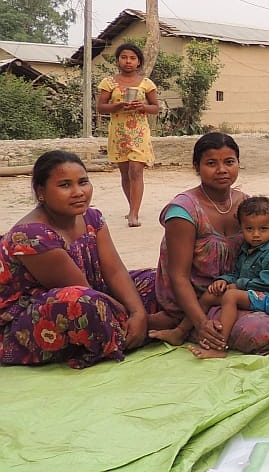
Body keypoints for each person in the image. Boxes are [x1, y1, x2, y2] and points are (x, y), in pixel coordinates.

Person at [0, 151, 164, 368]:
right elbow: (82, 290)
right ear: (41, 192)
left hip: (95, 292)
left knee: (157, 279)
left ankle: (140, 328)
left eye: (83, 182)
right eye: (65, 185)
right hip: (27, 319)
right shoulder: (31, 235)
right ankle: (154, 328)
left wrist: (138, 312)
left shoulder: (91, 217)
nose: (78, 192)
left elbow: (114, 270)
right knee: (84, 304)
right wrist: (142, 317)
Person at [150, 133, 269, 354]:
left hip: (235, 290)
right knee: (256, 331)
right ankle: (184, 327)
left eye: (229, 162)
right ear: (197, 167)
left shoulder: (246, 204)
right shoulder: (184, 211)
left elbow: (266, 248)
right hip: (195, 301)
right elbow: (178, 276)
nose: (222, 170)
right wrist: (201, 323)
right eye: (211, 163)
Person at [162, 196, 269, 359]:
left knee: (231, 296)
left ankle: (220, 346)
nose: (255, 234)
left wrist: (238, 285)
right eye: (249, 229)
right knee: (210, 294)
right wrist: (224, 280)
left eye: (263, 229)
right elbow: (237, 274)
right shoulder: (246, 249)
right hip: (251, 294)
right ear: (241, 227)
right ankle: (180, 332)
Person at [96, 43, 159, 228]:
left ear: (138, 62)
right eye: (124, 57)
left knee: (136, 170)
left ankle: (134, 213)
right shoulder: (109, 83)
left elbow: (156, 108)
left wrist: (142, 107)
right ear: (118, 60)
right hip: (119, 133)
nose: (128, 61)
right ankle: (132, 206)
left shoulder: (146, 84)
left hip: (139, 132)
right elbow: (100, 107)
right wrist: (117, 106)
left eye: (132, 58)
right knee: (125, 172)